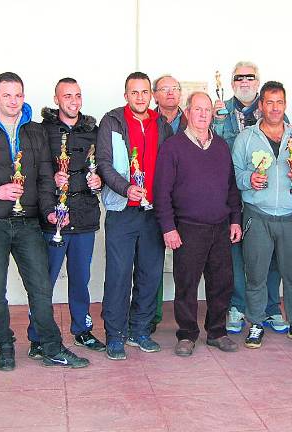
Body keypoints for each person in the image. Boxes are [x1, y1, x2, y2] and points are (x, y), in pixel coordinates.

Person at [0, 72, 89, 370]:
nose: (13, 101)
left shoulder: (35, 132)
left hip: (28, 222)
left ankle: (51, 346)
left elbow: (44, 178)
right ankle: (4, 345)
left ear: (23, 97)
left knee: (41, 287)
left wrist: (49, 211)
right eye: (7, 95)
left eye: (18, 95)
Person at [153, 91, 241, 356]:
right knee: (187, 284)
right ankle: (187, 334)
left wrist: (235, 220)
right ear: (187, 112)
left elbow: (231, 188)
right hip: (188, 228)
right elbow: (161, 192)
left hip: (220, 226)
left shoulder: (221, 146)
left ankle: (217, 332)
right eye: (197, 109)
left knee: (222, 283)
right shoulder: (173, 146)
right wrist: (168, 227)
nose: (203, 114)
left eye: (207, 110)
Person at [96, 72, 173, 360]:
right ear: (126, 95)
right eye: (134, 92)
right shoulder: (112, 122)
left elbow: (171, 166)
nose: (140, 97)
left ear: (151, 95)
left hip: (153, 214)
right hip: (122, 211)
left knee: (150, 274)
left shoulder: (162, 124)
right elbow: (103, 163)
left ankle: (140, 330)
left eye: (144, 92)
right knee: (118, 275)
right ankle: (114, 335)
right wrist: (126, 188)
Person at [27, 77, 106, 357]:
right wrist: (51, 177)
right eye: (67, 96)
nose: (73, 101)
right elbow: (33, 170)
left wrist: (100, 181)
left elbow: (104, 166)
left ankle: (82, 330)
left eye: (77, 96)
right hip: (53, 218)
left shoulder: (93, 131)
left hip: (84, 216)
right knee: (44, 281)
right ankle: (38, 336)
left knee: (80, 278)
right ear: (57, 99)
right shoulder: (41, 131)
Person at [231, 81, 292, 349]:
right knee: (255, 272)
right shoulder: (246, 138)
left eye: (279, 102)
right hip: (257, 214)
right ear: (261, 106)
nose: (274, 108)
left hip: (289, 216)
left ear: (285, 105)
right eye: (269, 102)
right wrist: (248, 179)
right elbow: (234, 174)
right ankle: (255, 322)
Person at [213, 61, 286, 335]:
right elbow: (213, 151)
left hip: (265, 198)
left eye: (250, 77)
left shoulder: (273, 110)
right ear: (232, 83)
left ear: (258, 82)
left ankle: (270, 307)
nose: (245, 81)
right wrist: (218, 122)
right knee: (234, 255)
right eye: (239, 78)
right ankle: (237, 305)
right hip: (231, 197)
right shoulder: (221, 111)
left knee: (270, 256)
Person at [149, 74, 187, 333]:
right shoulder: (148, 121)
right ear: (155, 95)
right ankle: (151, 315)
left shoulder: (192, 120)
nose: (170, 93)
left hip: (187, 201)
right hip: (155, 199)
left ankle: (186, 319)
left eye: (175, 88)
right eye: (164, 89)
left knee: (187, 263)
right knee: (152, 261)